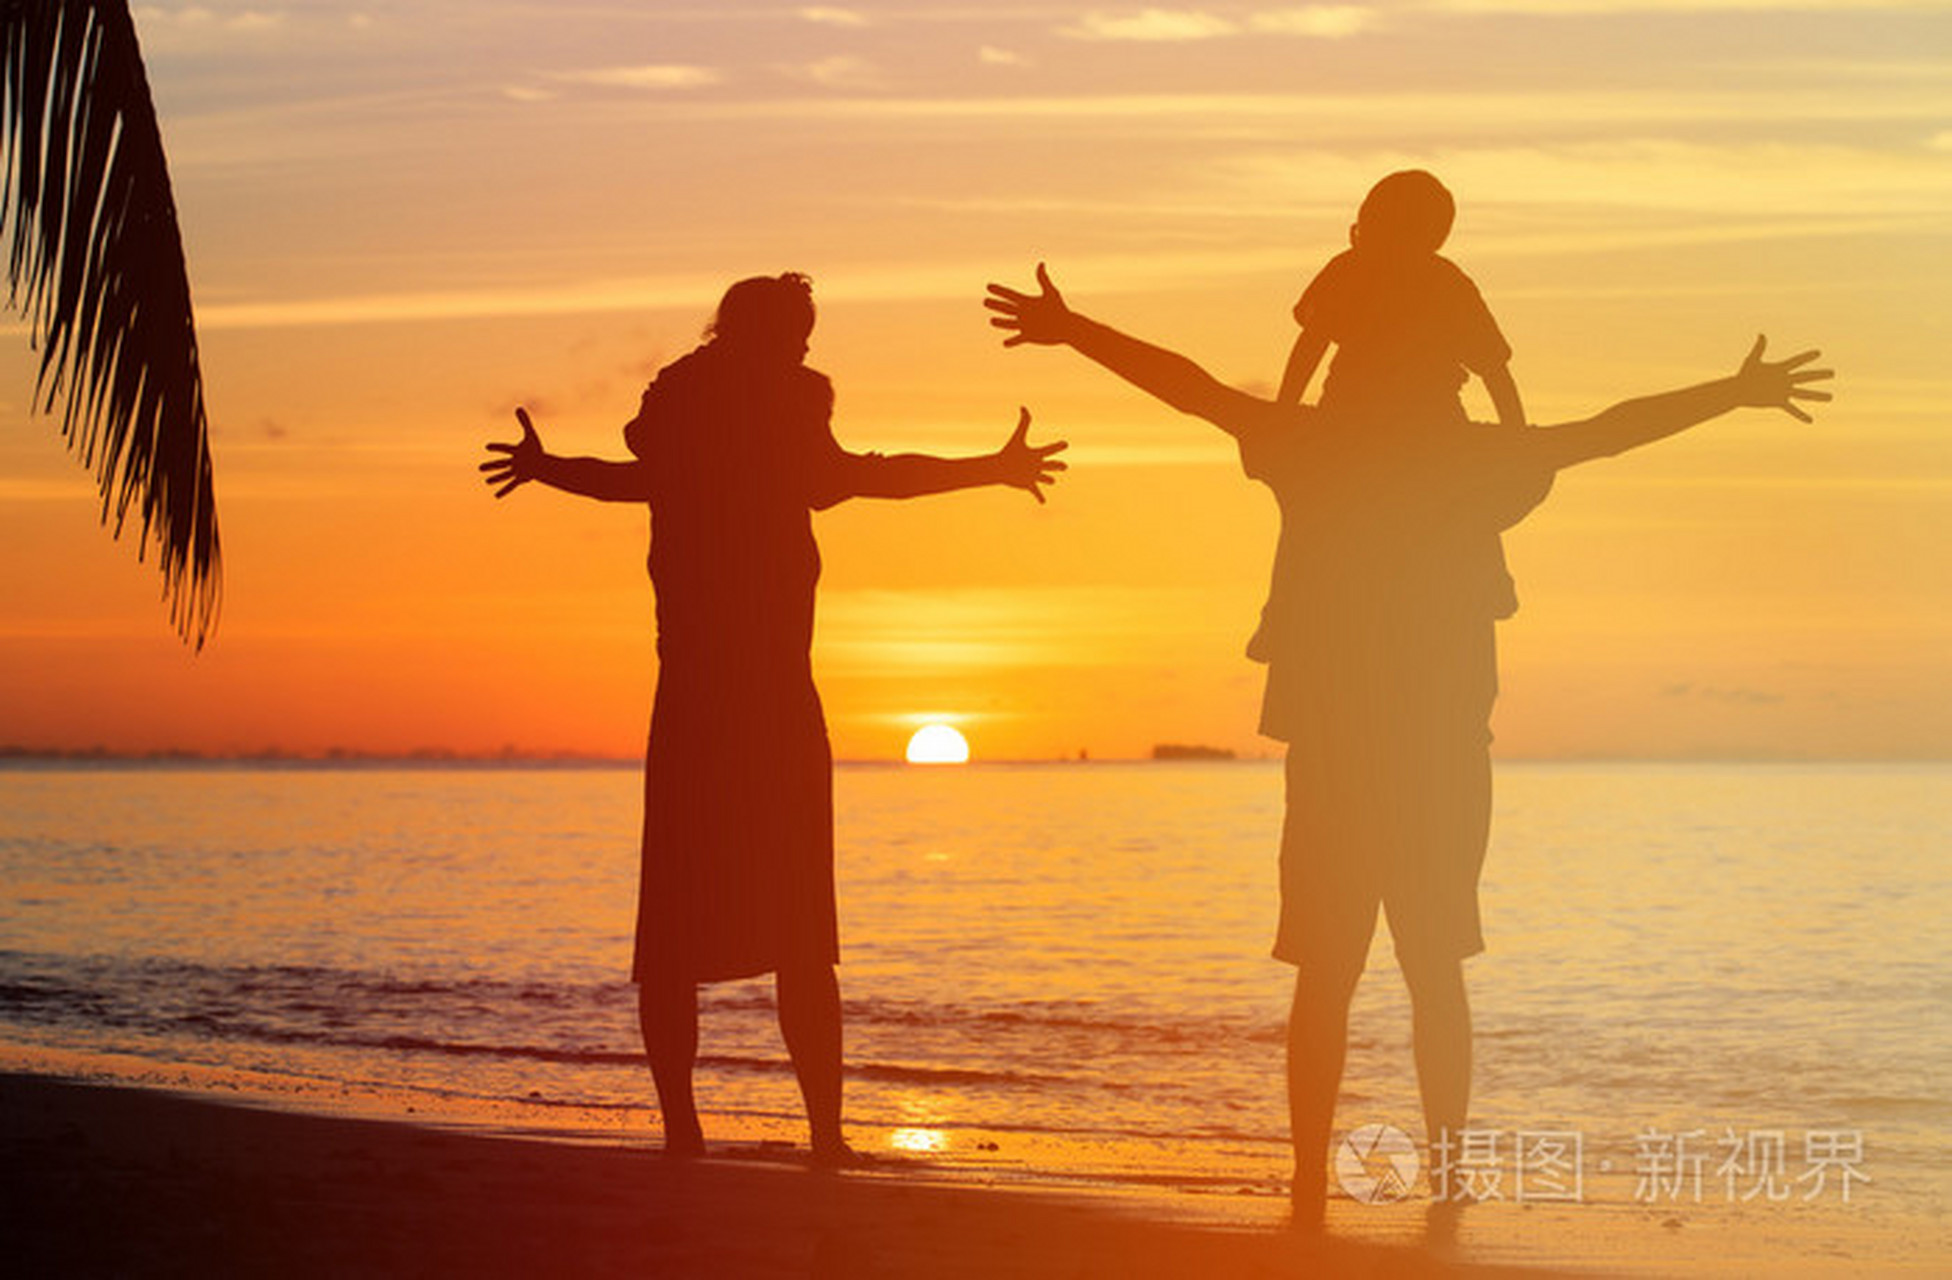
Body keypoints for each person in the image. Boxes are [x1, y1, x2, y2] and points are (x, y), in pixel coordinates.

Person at [985, 263, 1829, 1226]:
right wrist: (1733, 390)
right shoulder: (1467, 460)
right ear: (1447, 374)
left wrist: (1073, 327)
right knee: (1433, 971)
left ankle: (1313, 1183)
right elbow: (1608, 430)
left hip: (1341, 746)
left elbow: (1190, 385)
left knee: (1329, 972)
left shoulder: (1308, 442)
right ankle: (1446, 1181)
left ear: (1350, 365)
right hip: (1436, 749)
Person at [482, 272, 1067, 1165]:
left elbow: (632, 480)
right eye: (795, 330)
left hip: (712, 707)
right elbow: (865, 479)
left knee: (716, 933)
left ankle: (721, 1135)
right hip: (755, 707)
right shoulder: (769, 406)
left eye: (808, 331)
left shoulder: (690, 403)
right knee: (771, 932)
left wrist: (547, 467)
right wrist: (989, 469)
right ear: (759, 331)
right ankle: (800, 1137)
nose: (803, 345)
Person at [1276, 170, 1525, 436]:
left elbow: (1312, 343)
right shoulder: (1448, 283)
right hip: (1421, 423)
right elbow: (1494, 370)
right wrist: (1516, 432)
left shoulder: (1350, 269)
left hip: (1364, 419)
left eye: (1365, 229)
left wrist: (1283, 411)